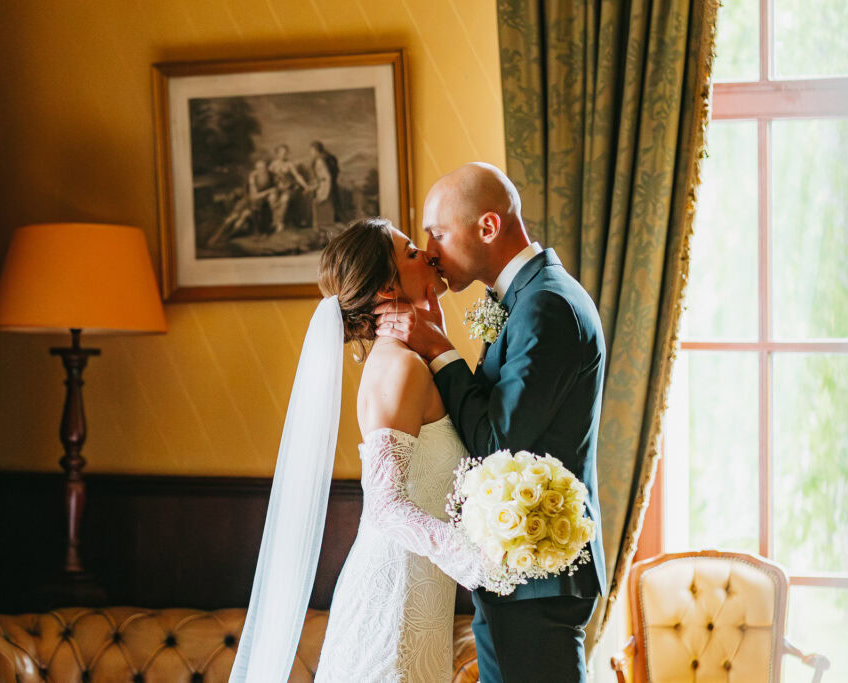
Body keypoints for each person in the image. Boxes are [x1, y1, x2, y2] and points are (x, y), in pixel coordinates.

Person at [229, 217, 490, 683]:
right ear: (388, 289)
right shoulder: (399, 368)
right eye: (412, 253)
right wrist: (478, 561)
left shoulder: (410, 360)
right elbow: (386, 507)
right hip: (393, 602)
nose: (429, 255)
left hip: (420, 596)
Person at [375, 162, 607, 683]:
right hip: (517, 572)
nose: (430, 251)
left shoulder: (546, 305)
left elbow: (499, 441)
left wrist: (437, 346)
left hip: (537, 578)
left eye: (437, 232)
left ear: (487, 227)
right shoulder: (525, 298)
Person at [267, 144, 310, 233]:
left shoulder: (289, 164)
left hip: (288, 189)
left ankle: (280, 222)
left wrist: (305, 186)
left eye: (285, 153)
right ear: (277, 153)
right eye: (281, 152)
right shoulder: (273, 164)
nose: (283, 154)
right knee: (271, 198)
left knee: (284, 199)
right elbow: (267, 176)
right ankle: (275, 221)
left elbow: (297, 176)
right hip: (276, 189)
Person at [307, 141, 340, 227]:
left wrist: (321, 190)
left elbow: (326, 177)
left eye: (312, 151)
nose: (311, 153)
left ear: (316, 151)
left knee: (318, 202)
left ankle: (321, 224)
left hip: (325, 186)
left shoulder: (320, 161)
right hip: (326, 185)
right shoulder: (324, 159)